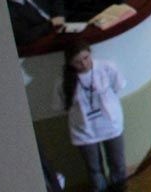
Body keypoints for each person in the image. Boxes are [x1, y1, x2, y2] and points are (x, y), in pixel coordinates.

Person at [59, 41, 127, 192]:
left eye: (86, 58)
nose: (83, 64)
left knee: (118, 164)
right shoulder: (65, 81)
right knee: (94, 169)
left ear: (90, 53)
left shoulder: (106, 68)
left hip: (110, 125)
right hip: (84, 131)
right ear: (70, 63)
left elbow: (118, 86)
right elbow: (62, 105)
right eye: (77, 62)